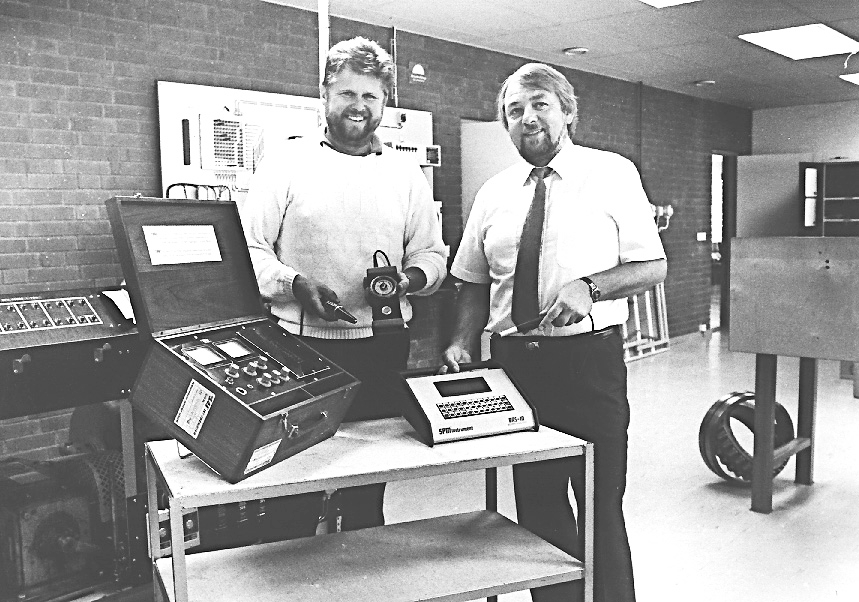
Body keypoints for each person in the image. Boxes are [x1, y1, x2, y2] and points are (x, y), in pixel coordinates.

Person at [441, 63, 666, 602]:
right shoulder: (493, 192)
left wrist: (591, 287)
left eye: (539, 103)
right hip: (515, 368)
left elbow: (651, 265)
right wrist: (459, 340)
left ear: (568, 111)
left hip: (588, 363)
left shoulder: (611, 172)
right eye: (513, 111)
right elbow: (471, 280)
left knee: (599, 508)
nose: (527, 118)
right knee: (538, 510)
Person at [241, 36, 447, 534]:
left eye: (371, 96)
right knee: (295, 485)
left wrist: (411, 278)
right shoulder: (286, 164)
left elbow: (432, 254)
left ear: (385, 103)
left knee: (366, 487)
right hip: (298, 347)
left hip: (381, 346)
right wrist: (293, 283)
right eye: (348, 93)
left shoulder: (406, 174)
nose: (359, 106)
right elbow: (249, 252)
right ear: (325, 96)